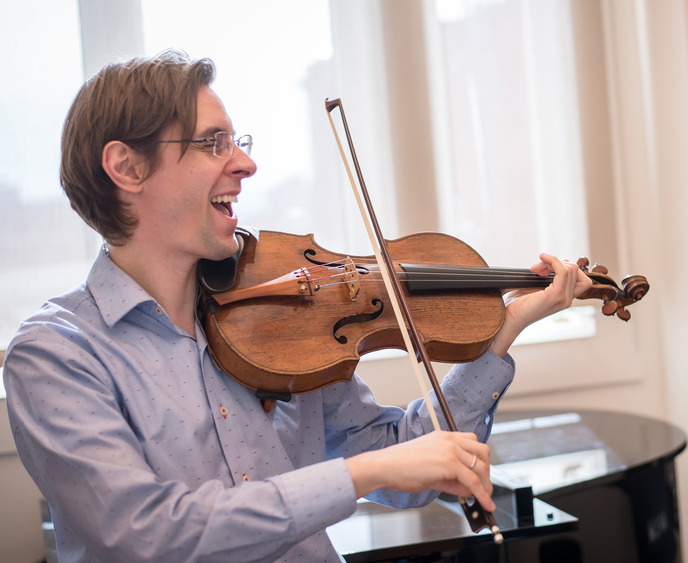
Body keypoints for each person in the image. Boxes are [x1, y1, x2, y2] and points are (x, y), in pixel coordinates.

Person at [2, 50, 593, 562]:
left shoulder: (285, 326)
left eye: (238, 142)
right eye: (213, 143)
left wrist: (499, 332)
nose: (245, 164)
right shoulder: (55, 356)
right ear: (126, 167)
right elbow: (147, 534)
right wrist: (363, 476)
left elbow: (402, 461)